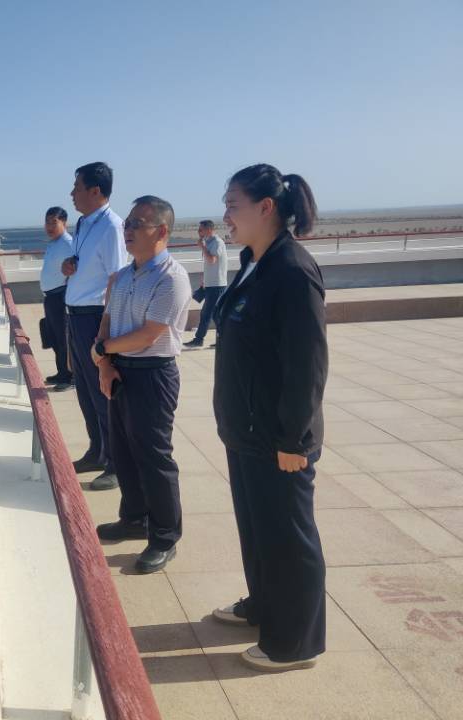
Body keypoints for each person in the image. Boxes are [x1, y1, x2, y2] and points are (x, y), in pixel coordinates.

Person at [211, 163, 327, 672]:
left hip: (280, 437)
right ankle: (263, 606)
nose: (226, 216)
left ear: (265, 208)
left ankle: (295, 644)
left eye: (232, 205)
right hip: (247, 430)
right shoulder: (253, 263)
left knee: (288, 537)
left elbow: (307, 365)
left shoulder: (292, 270)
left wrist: (293, 440)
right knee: (259, 530)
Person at [91, 196, 191, 573]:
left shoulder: (171, 278)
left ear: (161, 231)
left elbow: (149, 335)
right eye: (127, 223)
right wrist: (105, 363)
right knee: (123, 451)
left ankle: (165, 537)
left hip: (153, 374)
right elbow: (108, 320)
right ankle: (134, 518)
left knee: (153, 456)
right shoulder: (122, 276)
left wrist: (102, 350)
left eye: (137, 224)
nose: (127, 229)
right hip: (120, 370)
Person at [61, 162, 128, 490]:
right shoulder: (84, 224)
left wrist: (106, 329)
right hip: (75, 314)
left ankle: (116, 464)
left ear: (95, 191)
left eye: (77, 187)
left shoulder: (112, 226)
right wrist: (68, 265)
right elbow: (85, 264)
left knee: (103, 394)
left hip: (94, 317)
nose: (72, 194)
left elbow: (117, 277)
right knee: (85, 391)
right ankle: (97, 451)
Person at [40, 207, 74, 390]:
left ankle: (69, 377)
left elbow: (77, 269)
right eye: (47, 222)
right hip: (51, 297)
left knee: (64, 338)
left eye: (54, 222)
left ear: (64, 223)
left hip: (62, 296)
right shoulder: (54, 244)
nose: (49, 226)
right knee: (54, 337)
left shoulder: (68, 243)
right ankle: (61, 372)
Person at [183, 220, 227, 348]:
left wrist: (202, 247)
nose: (198, 232)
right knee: (214, 313)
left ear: (209, 229)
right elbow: (208, 264)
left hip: (217, 284)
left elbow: (212, 260)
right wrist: (204, 279)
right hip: (210, 284)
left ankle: (200, 340)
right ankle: (222, 339)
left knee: (208, 313)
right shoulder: (208, 242)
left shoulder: (217, 242)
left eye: (200, 230)